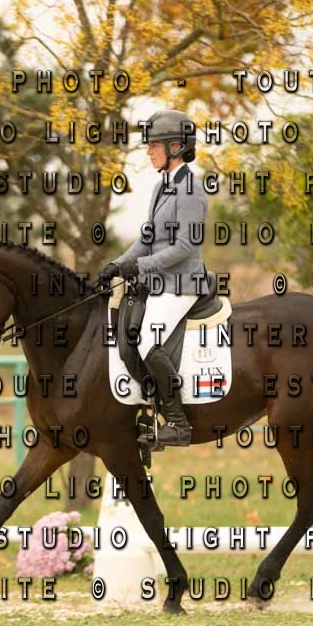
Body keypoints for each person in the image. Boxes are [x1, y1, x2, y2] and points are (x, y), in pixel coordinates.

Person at [98, 109, 207, 446]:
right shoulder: (162, 187)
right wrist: (117, 264)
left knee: (147, 338)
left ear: (175, 147)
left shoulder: (191, 189)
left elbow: (186, 246)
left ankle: (178, 423)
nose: (148, 151)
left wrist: (141, 267)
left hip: (182, 284)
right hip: (160, 283)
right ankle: (147, 404)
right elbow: (146, 239)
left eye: (154, 145)